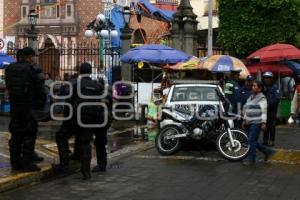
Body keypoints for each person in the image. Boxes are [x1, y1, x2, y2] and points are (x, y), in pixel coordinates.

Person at [5, 47, 46, 172]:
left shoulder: (10, 69)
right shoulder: (33, 69)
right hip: (29, 107)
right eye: (33, 57)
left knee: (16, 135)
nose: (34, 59)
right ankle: (27, 164)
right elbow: (41, 90)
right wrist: (40, 106)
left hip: (15, 107)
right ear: (28, 57)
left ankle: (15, 163)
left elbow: (8, 86)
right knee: (29, 135)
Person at [242, 80, 273, 165]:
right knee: (252, 141)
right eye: (253, 86)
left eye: (255, 86)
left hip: (256, 122)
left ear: (260, 88)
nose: (253, 87)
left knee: (251, 140)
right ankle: (266, 151)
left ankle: (251, 159)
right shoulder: (251, 97)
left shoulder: (262, 98)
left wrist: (263, 123)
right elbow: (246, 109)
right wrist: (244, 120)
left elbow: (264, 111)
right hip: (249, 122)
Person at [262, 72, 280, 146]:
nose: (266, 80)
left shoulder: (275, 88)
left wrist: (269, 104)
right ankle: (265, 140)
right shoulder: (263, 88)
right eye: (265, 78)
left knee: (272, 126)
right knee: (265, 125)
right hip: (264, 110)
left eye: (268, 78)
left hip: (272, 110)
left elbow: (277, 98)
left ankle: (272, 140)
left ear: (271, 79)